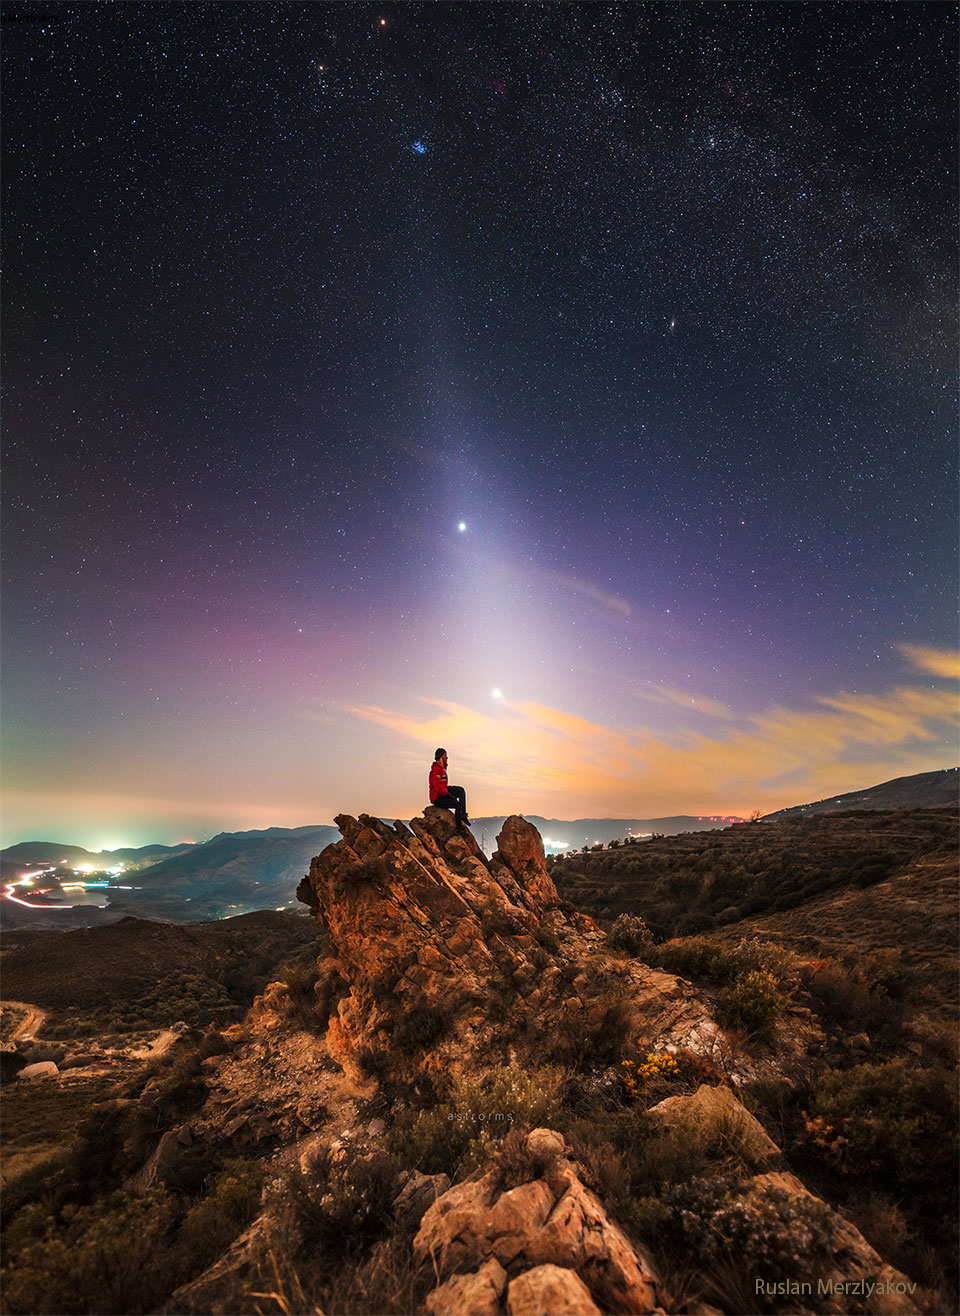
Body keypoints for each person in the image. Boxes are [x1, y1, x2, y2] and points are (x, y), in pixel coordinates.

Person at [428, 747, 471, 829]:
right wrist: (447, 794)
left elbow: (442, 786)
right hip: (437, 798)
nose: (447, 758)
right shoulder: (436, 770)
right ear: (441, 757)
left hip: (442, 792)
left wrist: (448, 793)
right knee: (457, 805)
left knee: (460, 791)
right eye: (445, 756)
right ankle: (459, 828)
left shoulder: (441, 769)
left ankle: (463, 815)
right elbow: (437, 786)